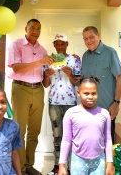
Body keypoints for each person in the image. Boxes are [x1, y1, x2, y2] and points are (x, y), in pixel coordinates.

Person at [7, 19, 54, 175]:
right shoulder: (16, 45)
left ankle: (29, 165)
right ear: (26, 29)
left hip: (38, 89)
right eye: (32, 28)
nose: (35, 31)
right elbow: (17, 69)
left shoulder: (42, 50)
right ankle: (19, 167)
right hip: (20, 88)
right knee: (19, 130)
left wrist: (48, 74)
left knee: (34, 130)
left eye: (38, 29)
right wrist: (40, 61)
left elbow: (46, 82)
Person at [42, 33, 82, 175]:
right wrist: (46, 76)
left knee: (70, 136)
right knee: (57, 135)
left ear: (67, 44)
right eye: (57, 44)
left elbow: (78, 83)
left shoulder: (75, 60)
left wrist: (70, 74)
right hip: (54, 103)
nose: (60, 46)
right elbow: (45, 85)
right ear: (54, 45)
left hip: (70, 103)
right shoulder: (48, 61)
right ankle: (57, 166)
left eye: (62, 43)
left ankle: (70, 166)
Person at [58, 76, 115, 175]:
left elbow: (108, 139)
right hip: (78, 160)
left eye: (94, 93)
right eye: (86, 93)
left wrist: (110, 162)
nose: (90, 97)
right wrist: (62, 165)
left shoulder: (104, 113)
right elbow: (66, 140)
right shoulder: (71, 113)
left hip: (99, 161)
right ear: (78, 93)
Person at [81, 26, 121, 144]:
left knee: (107, 145)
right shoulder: (85, 56)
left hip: (106, 110)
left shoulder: (110, 53)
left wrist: (116, 103)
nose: (88, 41)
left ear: (98, 35)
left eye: (91, 37)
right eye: (85, 39)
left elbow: (119, 78)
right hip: (88, 109)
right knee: (91, 144)